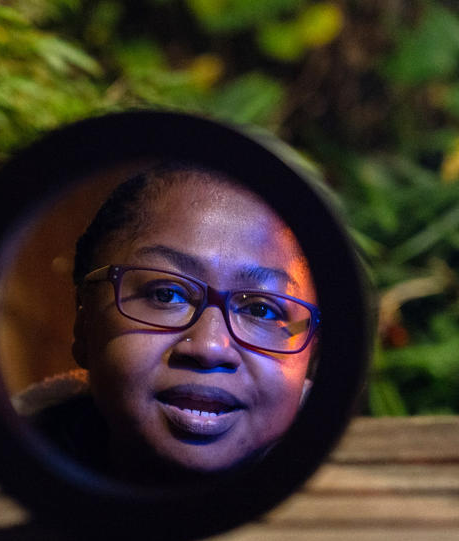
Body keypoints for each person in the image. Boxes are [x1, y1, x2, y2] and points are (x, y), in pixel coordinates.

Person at [17, 164, 319, 484]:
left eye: (261, 310)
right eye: (166, 294)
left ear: (310, 357)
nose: (210, 347)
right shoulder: (13, 461)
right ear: (83, 324)